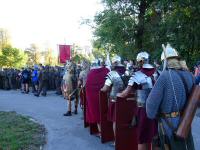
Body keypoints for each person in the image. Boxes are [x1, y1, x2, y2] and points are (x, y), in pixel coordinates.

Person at [146, 44, 195, 150]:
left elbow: (151, 105)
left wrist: (153, 114)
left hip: (169, 125)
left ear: (164, 61)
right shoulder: (189, 75)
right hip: (185, 122)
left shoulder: (165, 76)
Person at [119, 51, 157, 150]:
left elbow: (125, 93)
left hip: (143, 111)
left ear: (140, 61)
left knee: (142, 137)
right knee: (155, 136)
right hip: (156, 110)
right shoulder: (158, 72)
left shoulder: (137, 75)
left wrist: (117, 94)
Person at [101, 55, 126, 145]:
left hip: (115, 101)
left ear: (114, 63)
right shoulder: (128, 72)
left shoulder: (112, 74)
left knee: (115, 121)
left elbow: (105, 89)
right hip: (127, 101)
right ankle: (125, 140)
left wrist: (100, 90)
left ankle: (117, 141)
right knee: (125, 121)